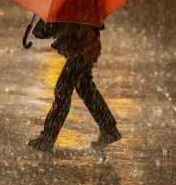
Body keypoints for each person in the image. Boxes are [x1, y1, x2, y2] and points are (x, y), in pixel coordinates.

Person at [27, 18, 121, 152]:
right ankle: (109, 128)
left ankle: (48, 138)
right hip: (86, 49)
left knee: (63, 91)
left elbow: (44, 31)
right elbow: (44, 31)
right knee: (85, 89)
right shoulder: (78, 7)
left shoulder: (70, 5)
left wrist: (41, 19)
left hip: (81, 52)